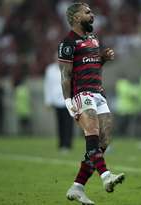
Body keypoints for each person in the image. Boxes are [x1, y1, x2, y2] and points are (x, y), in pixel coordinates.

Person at [58, 2, 125, 204]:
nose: (92, 15)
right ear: (76, 18)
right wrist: (68, 101)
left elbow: (94, 66)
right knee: (92, 136)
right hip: (81, 94)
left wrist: (102, 59)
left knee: (104, 140)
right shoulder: (68, 43)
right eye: (87, 12)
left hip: (98, 93)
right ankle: (106, 176)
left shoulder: (94, 39)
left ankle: (77, 187)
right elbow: (65, 75)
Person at [44, 61, 74, 152]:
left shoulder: (70, 68)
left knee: (68, 123)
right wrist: (48, 101)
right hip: (56, 100)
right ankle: (61, 144)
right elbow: (47, 85)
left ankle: (67, 144)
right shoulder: (50, 70)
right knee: (60, 122)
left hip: (68, 99)